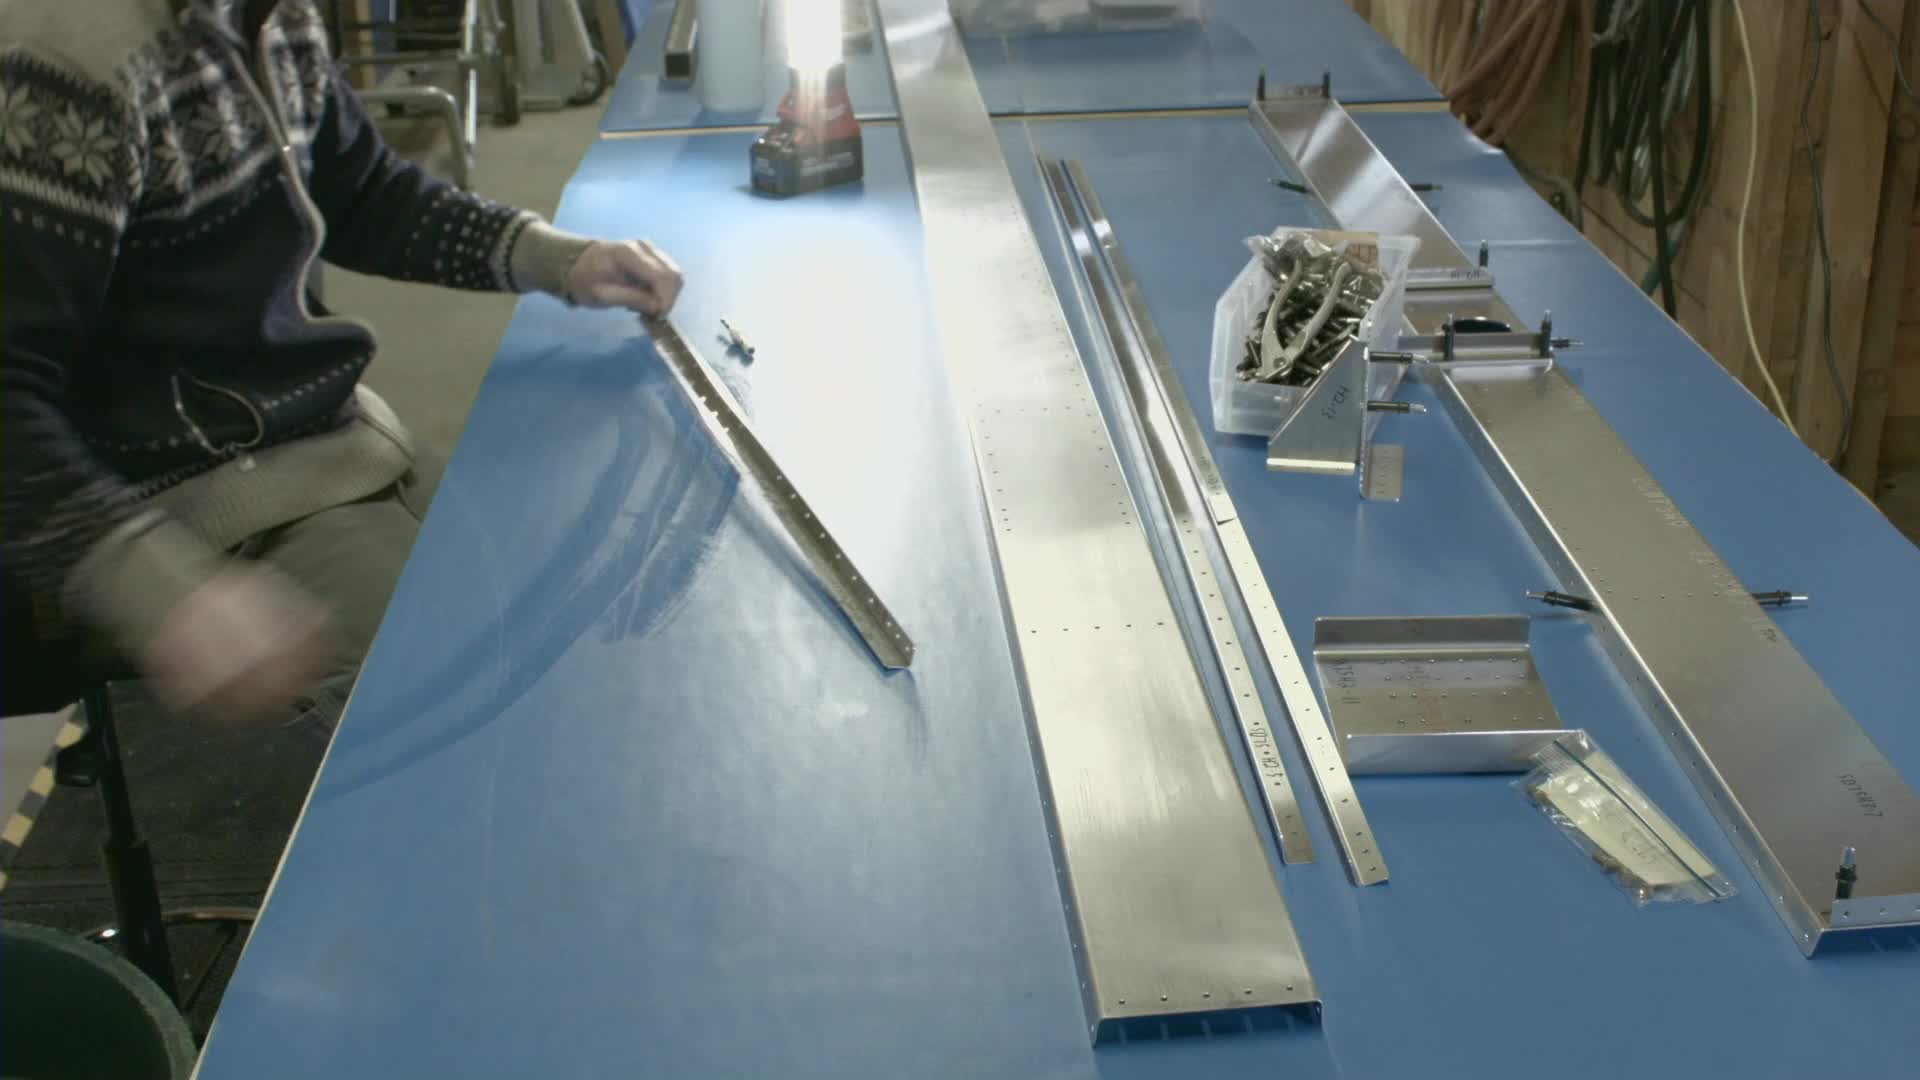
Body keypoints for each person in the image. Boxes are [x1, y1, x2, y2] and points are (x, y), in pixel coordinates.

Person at [0, 0, 683, 731]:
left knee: (568, 598)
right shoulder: (65, 63)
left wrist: (557, 259)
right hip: (164, 498)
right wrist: (153, 587)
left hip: (308, 436)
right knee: (492, 714)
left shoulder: (273, 16)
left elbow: (361, 192)